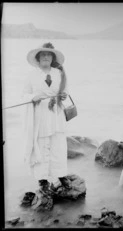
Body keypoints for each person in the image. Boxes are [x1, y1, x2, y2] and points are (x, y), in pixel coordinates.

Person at [22, 42, 68, 192]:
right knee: (42, 144)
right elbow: (24, 94)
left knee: (58, 143)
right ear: (38, 58)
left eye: (49, 55)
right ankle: (42, 180)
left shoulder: (58, 73)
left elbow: (65, 91)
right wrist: (32, 97)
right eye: (43, 55)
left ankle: (60, 175)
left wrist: (63, 95)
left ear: (52, 58)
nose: (46, 57)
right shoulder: (31, 74)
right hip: (40, 113)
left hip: (56, 112)